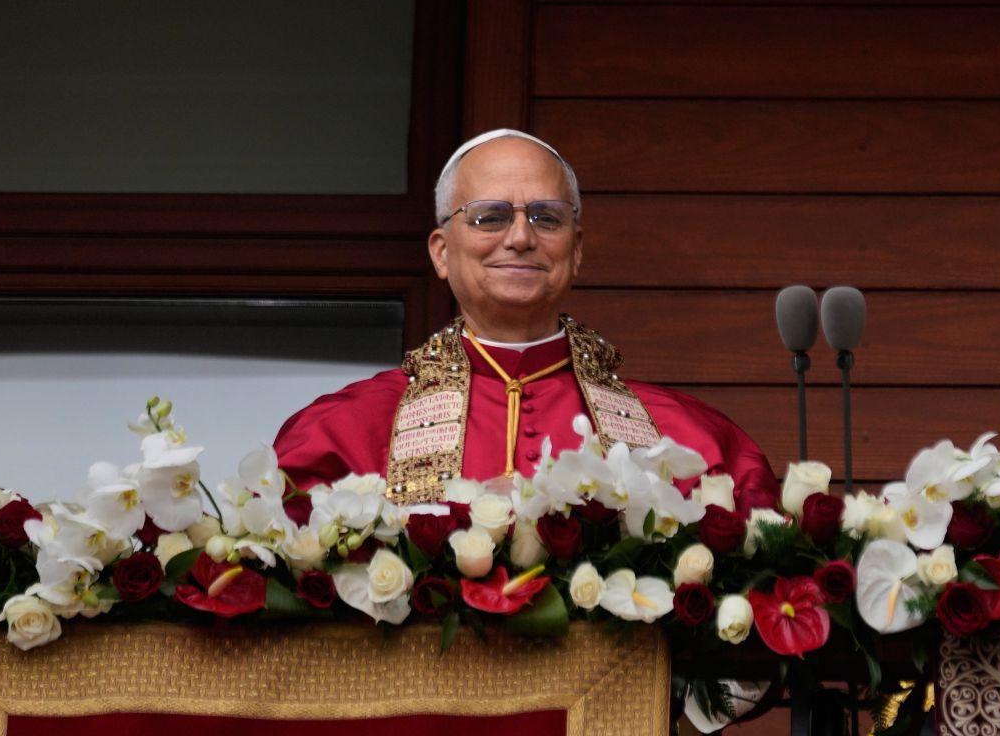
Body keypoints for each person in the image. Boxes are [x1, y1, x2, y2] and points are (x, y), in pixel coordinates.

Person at [273, 129, 777, 511]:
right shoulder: (341, 433)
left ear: (575, 251)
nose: (519, 238)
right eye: (489, 217)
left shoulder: (693, 441)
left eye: (546, 218)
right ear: (442, 252)